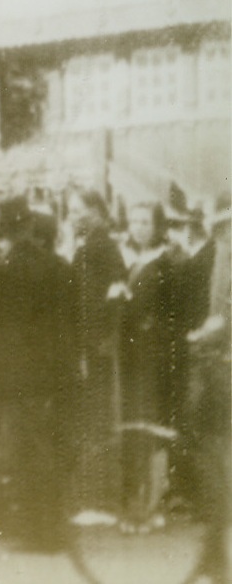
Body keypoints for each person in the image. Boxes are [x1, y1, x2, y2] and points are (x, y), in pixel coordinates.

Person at [0, 197, 78, 553]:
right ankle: (54, 529)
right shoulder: (59, 266)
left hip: (18, 375)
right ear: (30, 224)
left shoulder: (4, 268)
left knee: (24, 452)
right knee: (50, 448)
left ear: (4, 229)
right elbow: (76, 314)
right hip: (56, 371)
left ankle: (35, 532)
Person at [112, 202, 184, 534]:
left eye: (145, 222)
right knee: (134, 430)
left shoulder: (166, 265)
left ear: (157, 226)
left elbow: (172, 315)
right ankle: (134, 505)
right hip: (132, 358)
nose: (138, 227)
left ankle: (152, 506)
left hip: (154, 359)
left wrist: (127, 302)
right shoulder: (132, 263)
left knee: (152, 430)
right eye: (134, 221)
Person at [67, 190, 128, 521]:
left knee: (95, 418)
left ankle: (97, 500)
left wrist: (100, 337)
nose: (73, 216)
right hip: (96, 343)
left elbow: (96, 300)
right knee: (98, 416)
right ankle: (99, 497)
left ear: (94, 211)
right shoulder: (100, 246)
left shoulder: (95, 248)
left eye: (77, 210)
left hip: (92, 345)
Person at [181, 192, 230, 583]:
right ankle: (214, 555)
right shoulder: (221, 256)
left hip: (225, 366)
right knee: (213, 455)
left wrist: (200, 337)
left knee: (214, 453)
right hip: (222, 365)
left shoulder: (226, 257)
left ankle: (215, 556)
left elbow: (223, 316)